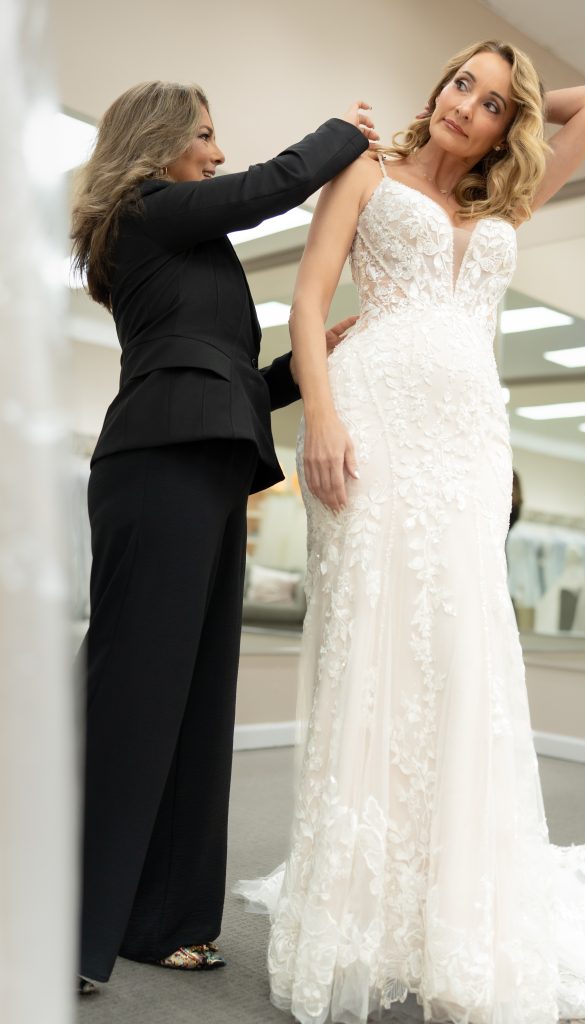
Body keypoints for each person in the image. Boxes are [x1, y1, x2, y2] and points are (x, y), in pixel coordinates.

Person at [237, 40, 585, 1024]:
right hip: (373, 422)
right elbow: (304, 299)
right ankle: (360, 920)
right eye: (460, 81)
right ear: (436, 86)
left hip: (468, 449)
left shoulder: (503, 204)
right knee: (372, 654)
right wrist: (320, 420)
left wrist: (525, 102)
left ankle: (447, 913)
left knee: (463, 664)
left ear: (512, 124)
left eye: (493, 101)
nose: (466, 103)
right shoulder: (365, 169)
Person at [70, 80, 377, 991]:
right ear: (157, 141)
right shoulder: (144, 212)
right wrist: (343, 135)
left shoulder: (187, 251)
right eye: (203, 135)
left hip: (205, 461)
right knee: (132, 698)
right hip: (158, 463)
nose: (215, 151)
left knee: (196, 700)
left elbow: (223, 374)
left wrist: (311, 361)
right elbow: (265, 188)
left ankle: (161, 918)